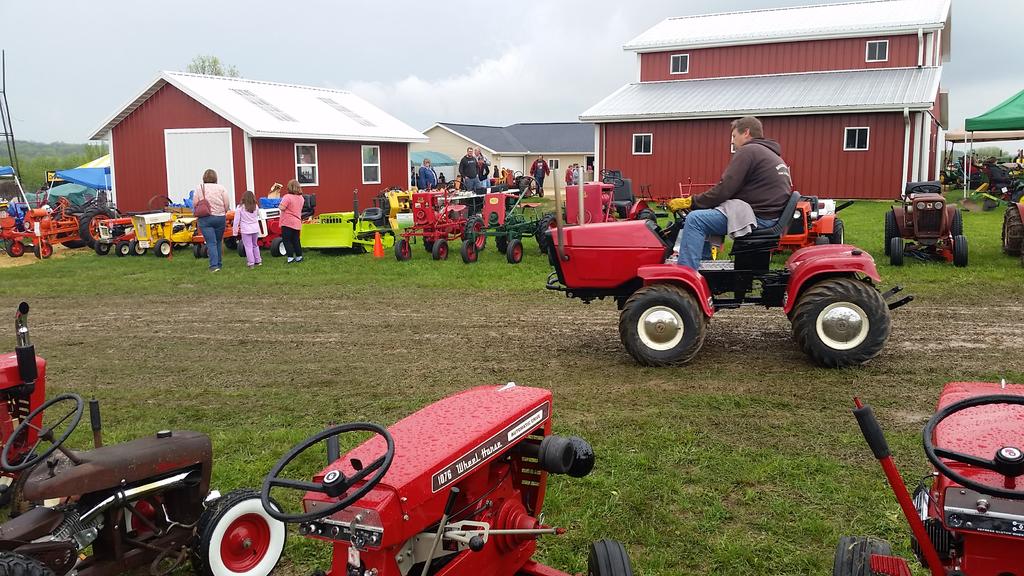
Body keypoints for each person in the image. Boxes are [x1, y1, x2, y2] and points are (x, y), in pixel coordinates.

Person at [667, 116, 792, 271]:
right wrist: (703, 203)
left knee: (695, 219)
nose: (732, 141)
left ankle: (687, 274)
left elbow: (725, 189)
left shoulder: (749, 151)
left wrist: (691, 202)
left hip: (759, 218)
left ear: (746, 132)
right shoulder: (771, 155)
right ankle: (704, 269)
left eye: (734, 136)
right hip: (769, 216)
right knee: (705, 213)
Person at [196, 169, 232, 272]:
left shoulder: (200, 188)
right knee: (218, 241)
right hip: (220, 217)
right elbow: (226, 203)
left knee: (211, 242)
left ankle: (214, 266)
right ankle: (219, 264)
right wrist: (224, 211)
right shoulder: (221, 188)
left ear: (204, 178)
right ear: (215, 178)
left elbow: (194, 203)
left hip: (205, 218)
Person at [232, 190, 263, 269]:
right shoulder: (255, 206)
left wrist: (235, 232)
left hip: (246, 230)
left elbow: (236, 220)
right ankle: (258, 261)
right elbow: (258, 215)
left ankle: (251, 263)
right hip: (255, 228)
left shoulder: (240, 207)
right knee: (255, 245)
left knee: (248, 246)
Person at [279, 179, 305, 263]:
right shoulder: (301, 198)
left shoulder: (287, 197)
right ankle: (299, 256)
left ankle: (290, 257)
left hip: (287, 222)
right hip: (297, 221)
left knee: (287, 240)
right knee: (296, 240)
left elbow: (282, 207)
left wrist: (279, 205)